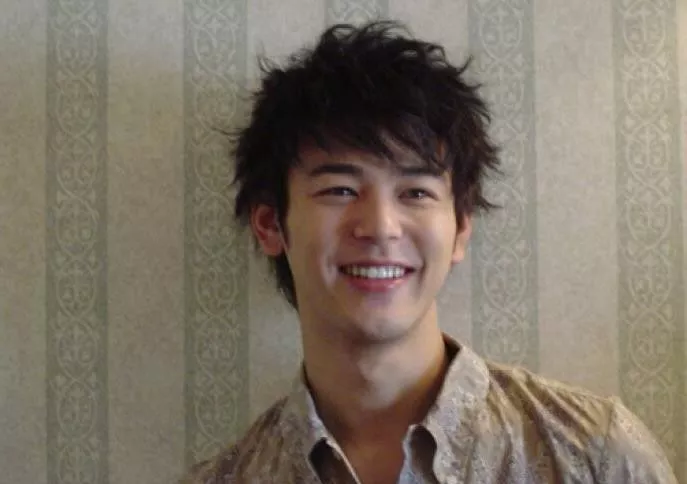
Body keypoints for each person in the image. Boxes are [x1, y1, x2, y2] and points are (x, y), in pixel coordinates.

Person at [181, 20, 677, 484]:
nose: (380, 227)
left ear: (460, 227)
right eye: (340, 190)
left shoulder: (595, 456)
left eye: (415, 192)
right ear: (270, 224)